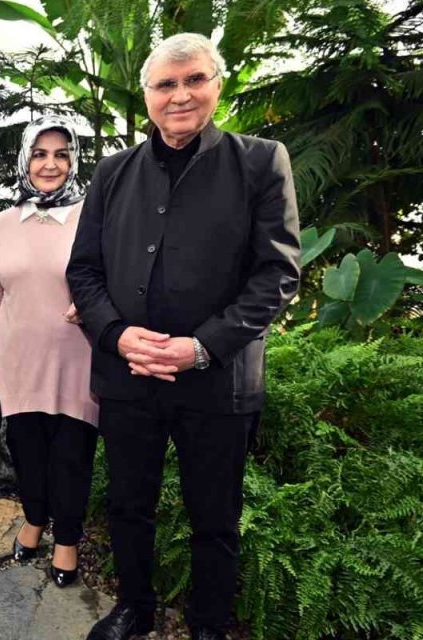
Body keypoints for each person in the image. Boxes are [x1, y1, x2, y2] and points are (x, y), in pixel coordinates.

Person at [66, 33, 301, 640]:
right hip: (129, 377)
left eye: (194, 79)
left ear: (217, 85)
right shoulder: (113, 172)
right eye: (166, 84)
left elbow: (277, 275)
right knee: (128, 504)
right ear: (147, 94)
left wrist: (200, 347)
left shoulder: (260, 161)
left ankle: (208, 623)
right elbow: (83, 270)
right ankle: (134, 608)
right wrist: (117, 335)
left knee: (215, 515)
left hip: (217, 380)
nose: (180, 95)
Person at [0, 115, 99, 587]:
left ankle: (66, 539)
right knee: (26, 450)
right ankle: (33, 520)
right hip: (17, 360)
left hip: (77, 360)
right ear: (25, 160)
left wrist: (95, 307)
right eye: (40, 154)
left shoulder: (93, 218)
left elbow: (116, 279)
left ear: (74, 160)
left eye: (61, 154)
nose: (50, 164)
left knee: (71, 454)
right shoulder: (4, 223)